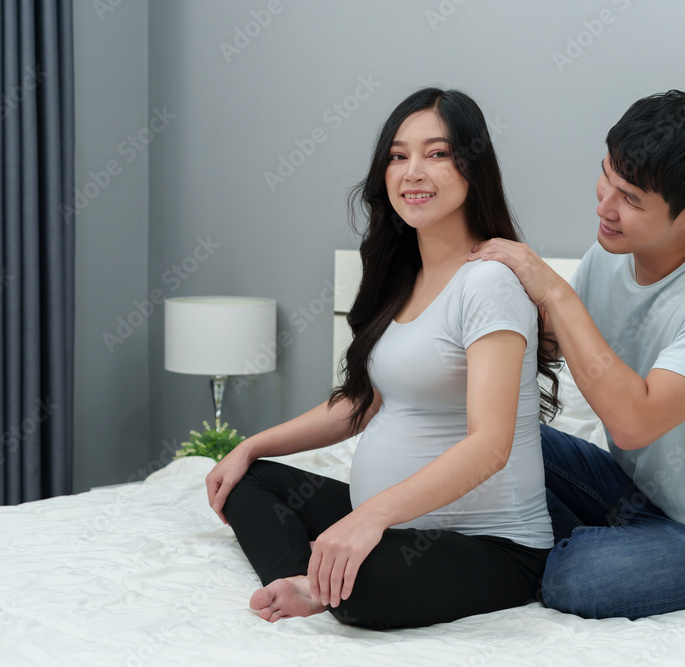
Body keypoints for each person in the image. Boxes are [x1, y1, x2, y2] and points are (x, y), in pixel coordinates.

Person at [206, 87, 561, 630]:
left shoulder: (489, 281)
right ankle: (309, 582)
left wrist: (368, 517)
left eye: (437, 154)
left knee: (367, 588)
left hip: (489, 545)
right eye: (398, 156)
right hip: (385, 525)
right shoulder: (399, 278)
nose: (413, 171)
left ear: (473, 166)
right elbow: (365, 402)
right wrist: (250, 444)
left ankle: (326, 582)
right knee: (243, 479)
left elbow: (490, 446)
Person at [471, 90, 685, 619]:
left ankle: (562, 550)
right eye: (606, 178)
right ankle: (556, 542)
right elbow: (552, 344)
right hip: (625, 496)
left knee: (578, 579)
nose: (604, 207)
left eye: (631, 199)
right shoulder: (613, 253)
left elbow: (634, 422)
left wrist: (555, 291)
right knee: (486, 431)